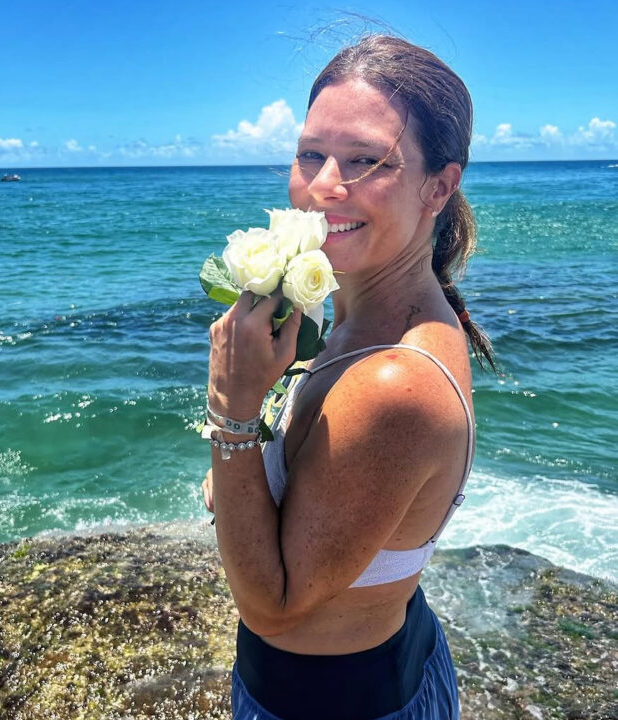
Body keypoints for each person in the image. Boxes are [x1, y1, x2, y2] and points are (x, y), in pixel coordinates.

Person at [202, 34, 495, 720]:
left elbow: (272, 608)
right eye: (310, 154)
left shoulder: (393, 381)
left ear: (438, 186)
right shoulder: (361, 323)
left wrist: (231, 410)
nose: (322, 185)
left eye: (366, 160)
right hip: (388, 665)